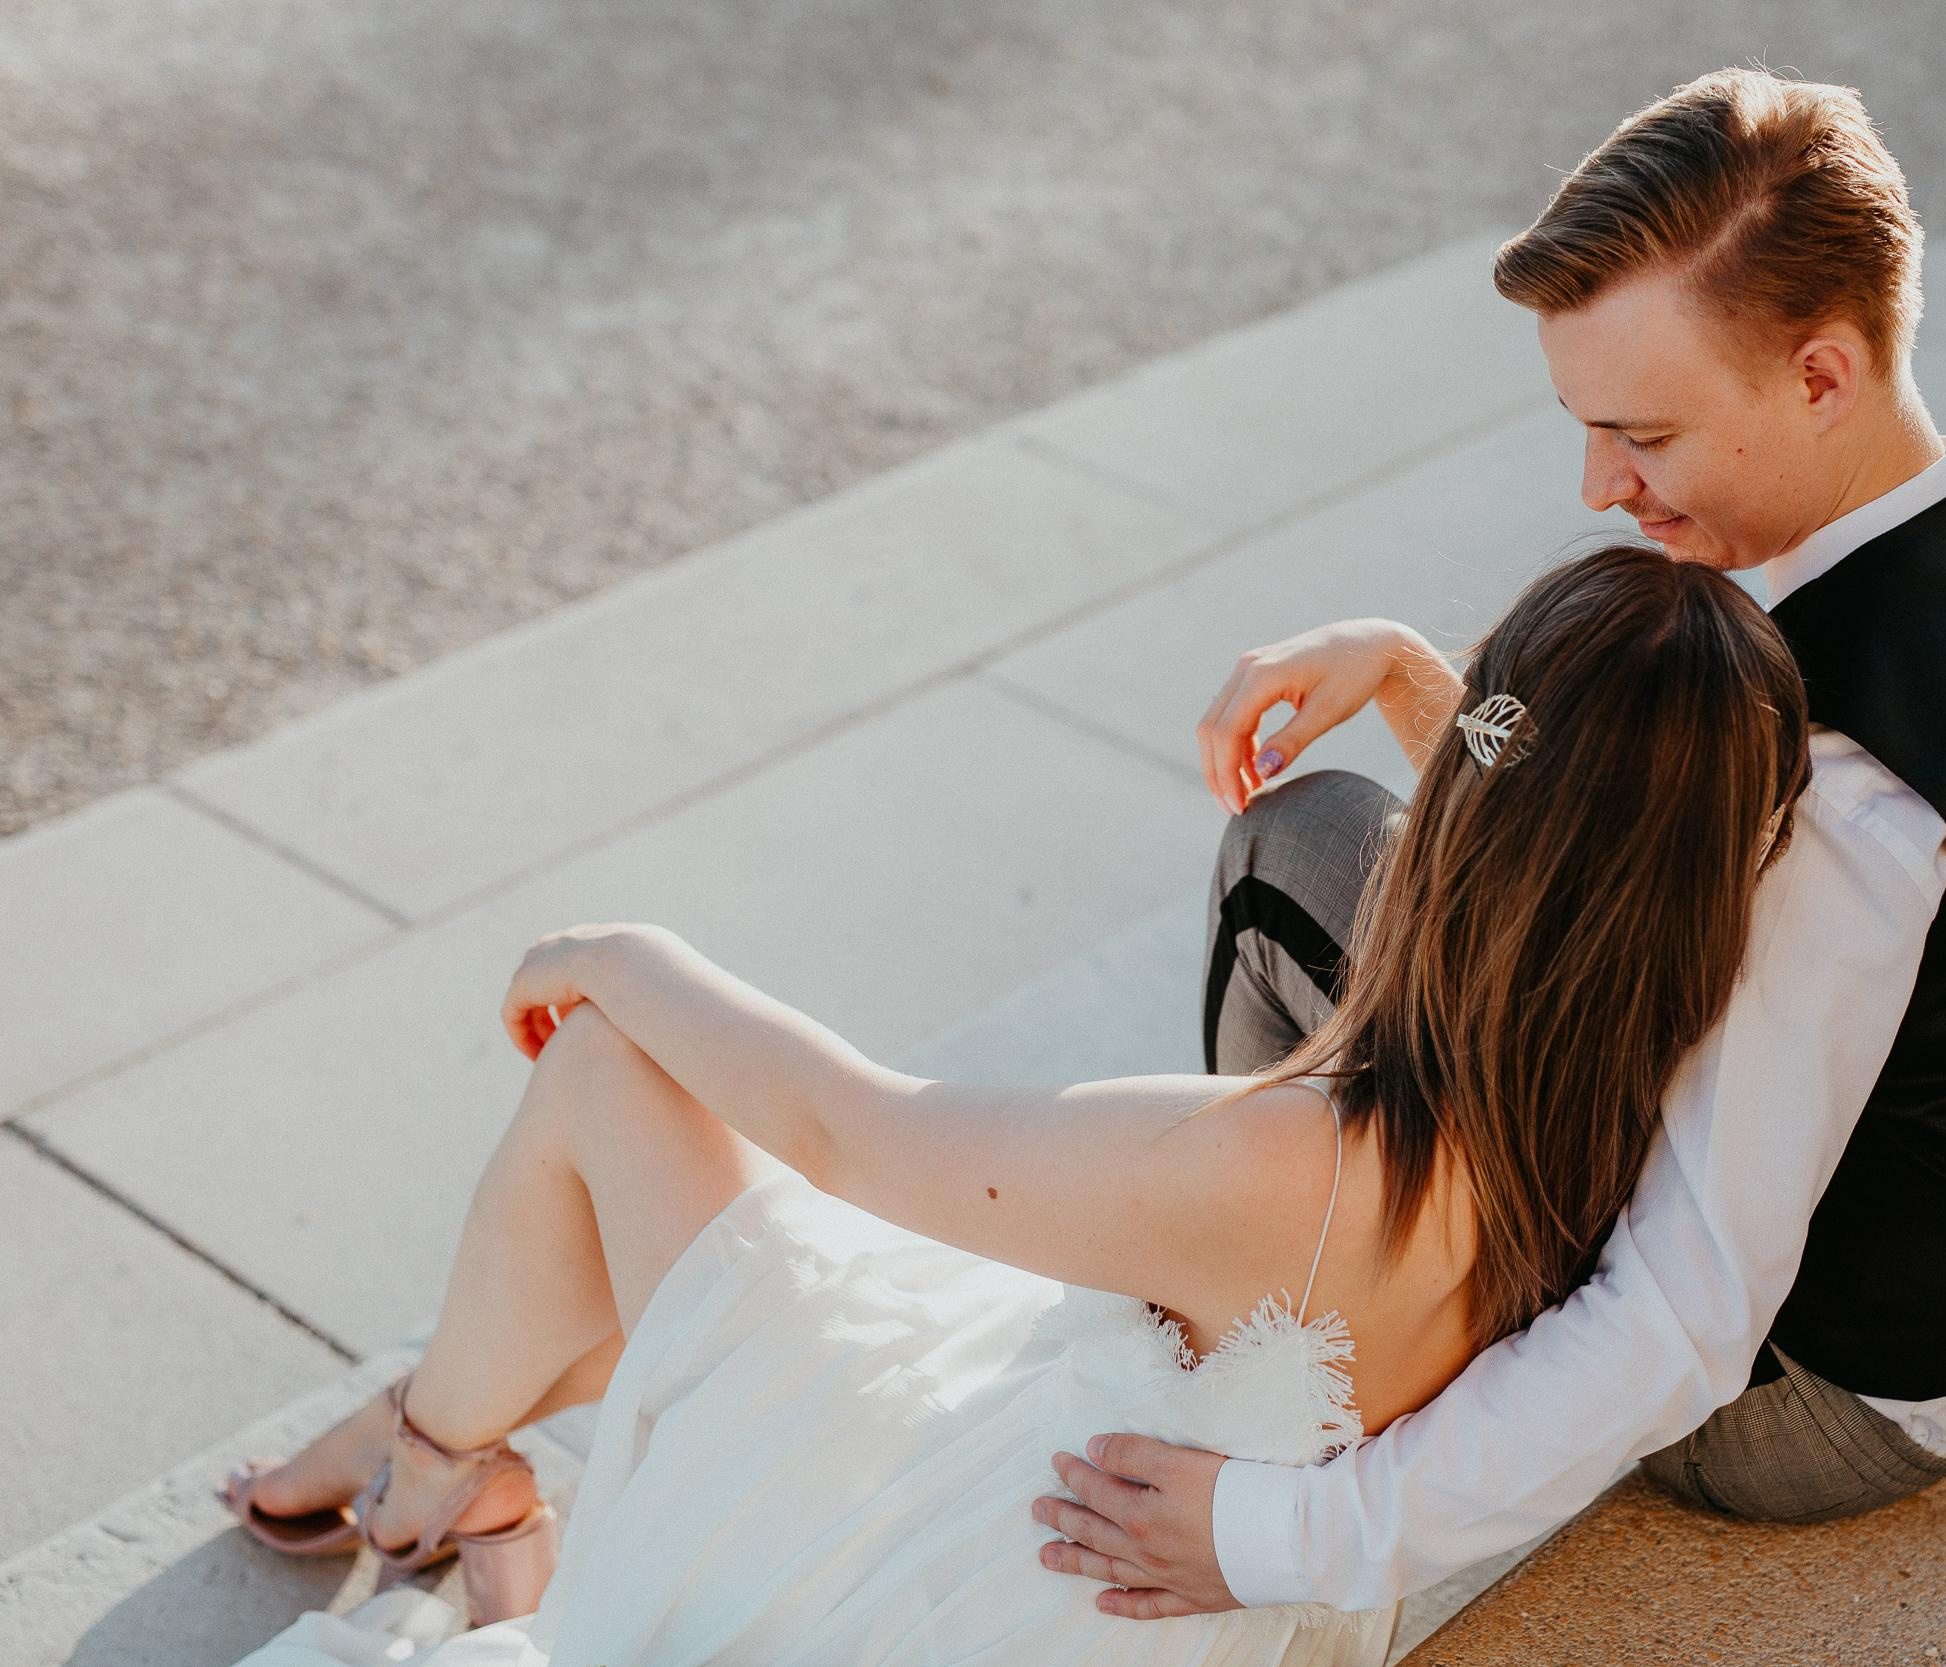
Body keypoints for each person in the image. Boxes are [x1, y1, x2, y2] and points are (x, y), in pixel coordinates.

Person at [1036, 66, 1946, 1621]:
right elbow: (1611, 869)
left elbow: (1689, 1310)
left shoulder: (1836, 780)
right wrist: (1413, 675)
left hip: (1826, 1402)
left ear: (1821, 374)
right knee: (1391, 877)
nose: (1601, 489)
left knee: (1292, 856)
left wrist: (1281, 1538)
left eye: (1643, 435)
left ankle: (1264, 1344)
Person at [210, 543, 1812, 1664]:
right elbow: (1584, 840)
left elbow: (860, 1130)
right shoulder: (1622, 1113)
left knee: (612, 1063)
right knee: (704, 1253)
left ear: (1459, 816)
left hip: (986, 1591)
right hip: (1193, 1583)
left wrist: (624, 951)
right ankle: (462, 1454)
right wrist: (1413, 679)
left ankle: (435, 1457)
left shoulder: (1275, 1164)